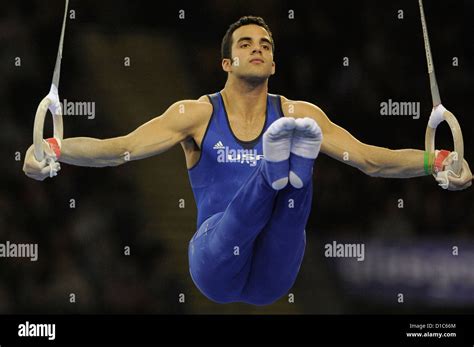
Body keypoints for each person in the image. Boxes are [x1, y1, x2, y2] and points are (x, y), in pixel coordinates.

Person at [23, 16, 472, 305]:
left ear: (274, 63)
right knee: (247, 209)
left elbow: (373, 161)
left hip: (275, 275)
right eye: (246, 43)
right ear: (226, 61)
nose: (257, 48)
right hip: (214, 262)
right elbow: (116, 150)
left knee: (293, 207)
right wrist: (50, 149)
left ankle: (289, 173)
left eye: (266, 44)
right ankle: (279, 169)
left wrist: (440, 161)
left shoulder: (299, 113)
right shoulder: (195, 114)